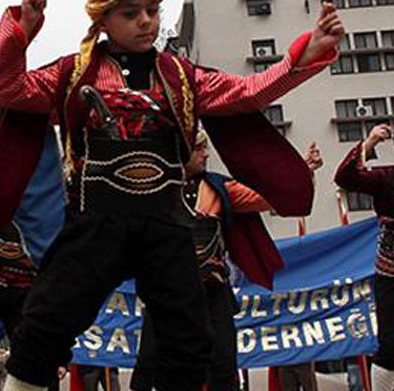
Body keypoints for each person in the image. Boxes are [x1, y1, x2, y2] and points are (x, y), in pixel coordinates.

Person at [0, 0, 343, 391]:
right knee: (43, 326)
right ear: (103, 19)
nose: (146, 21)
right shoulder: (72, 73)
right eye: (131, 13)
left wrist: (303, 55)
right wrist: (22, 28)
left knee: (189, 343)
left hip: (166, 223)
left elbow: (248, 93)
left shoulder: (182, 77)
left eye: (153, 10)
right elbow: (6, 89)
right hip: (96, 222)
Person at [132, 135, 324, 391]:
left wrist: (303, 168)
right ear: (182, 152)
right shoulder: (154, 189)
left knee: (223, 362)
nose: (206, 155)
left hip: (212, 290)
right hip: (167, 292)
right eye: (199, 149)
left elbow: (266, 197)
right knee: (150, 364)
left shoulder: (218, 188)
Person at [334, 123, 394, 388]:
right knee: (391, 346)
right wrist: (369, 143)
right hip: (391, 273)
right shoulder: (388, 178)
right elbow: (345, 178)